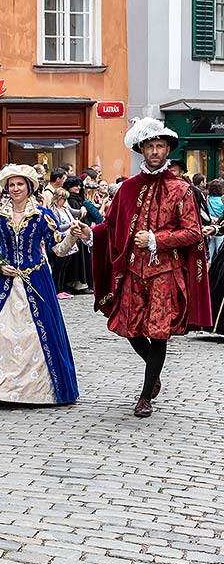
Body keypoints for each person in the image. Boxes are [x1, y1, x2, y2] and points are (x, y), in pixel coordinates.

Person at [86, 118, 211, 418]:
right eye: (150, 146)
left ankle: (145, 396)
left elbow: (194, 232)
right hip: (132, 270)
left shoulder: (181, 190)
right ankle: (153, 375)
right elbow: (111, 225)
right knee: (127, 327)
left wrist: (157, 239)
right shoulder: (128, 188)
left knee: (158, 333)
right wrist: (89, 234)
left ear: (168, 150)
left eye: (160, 146)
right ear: (142, 150)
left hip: (165, 273)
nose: (155, 151)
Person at [0, 165, 80, 405]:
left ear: (29, 187)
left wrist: (72, 235)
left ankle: (40, 391)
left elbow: (58, 248)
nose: (15, 188)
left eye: (20, 184)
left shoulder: (42, 215)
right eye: (11, 185)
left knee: (40, 333)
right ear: (6, 188)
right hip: (3, 282)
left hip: (36, 278)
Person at [49, 187, 76, 299]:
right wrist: (70, 225)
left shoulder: (65, 209)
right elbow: (56, 226)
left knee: (64, 266)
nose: (64, 201)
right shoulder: (53, 211)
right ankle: (57, 289)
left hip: (68, 239)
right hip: (60, 240)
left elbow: (75, 212)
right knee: (58, 267)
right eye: (63, 199)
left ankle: (61, 288)